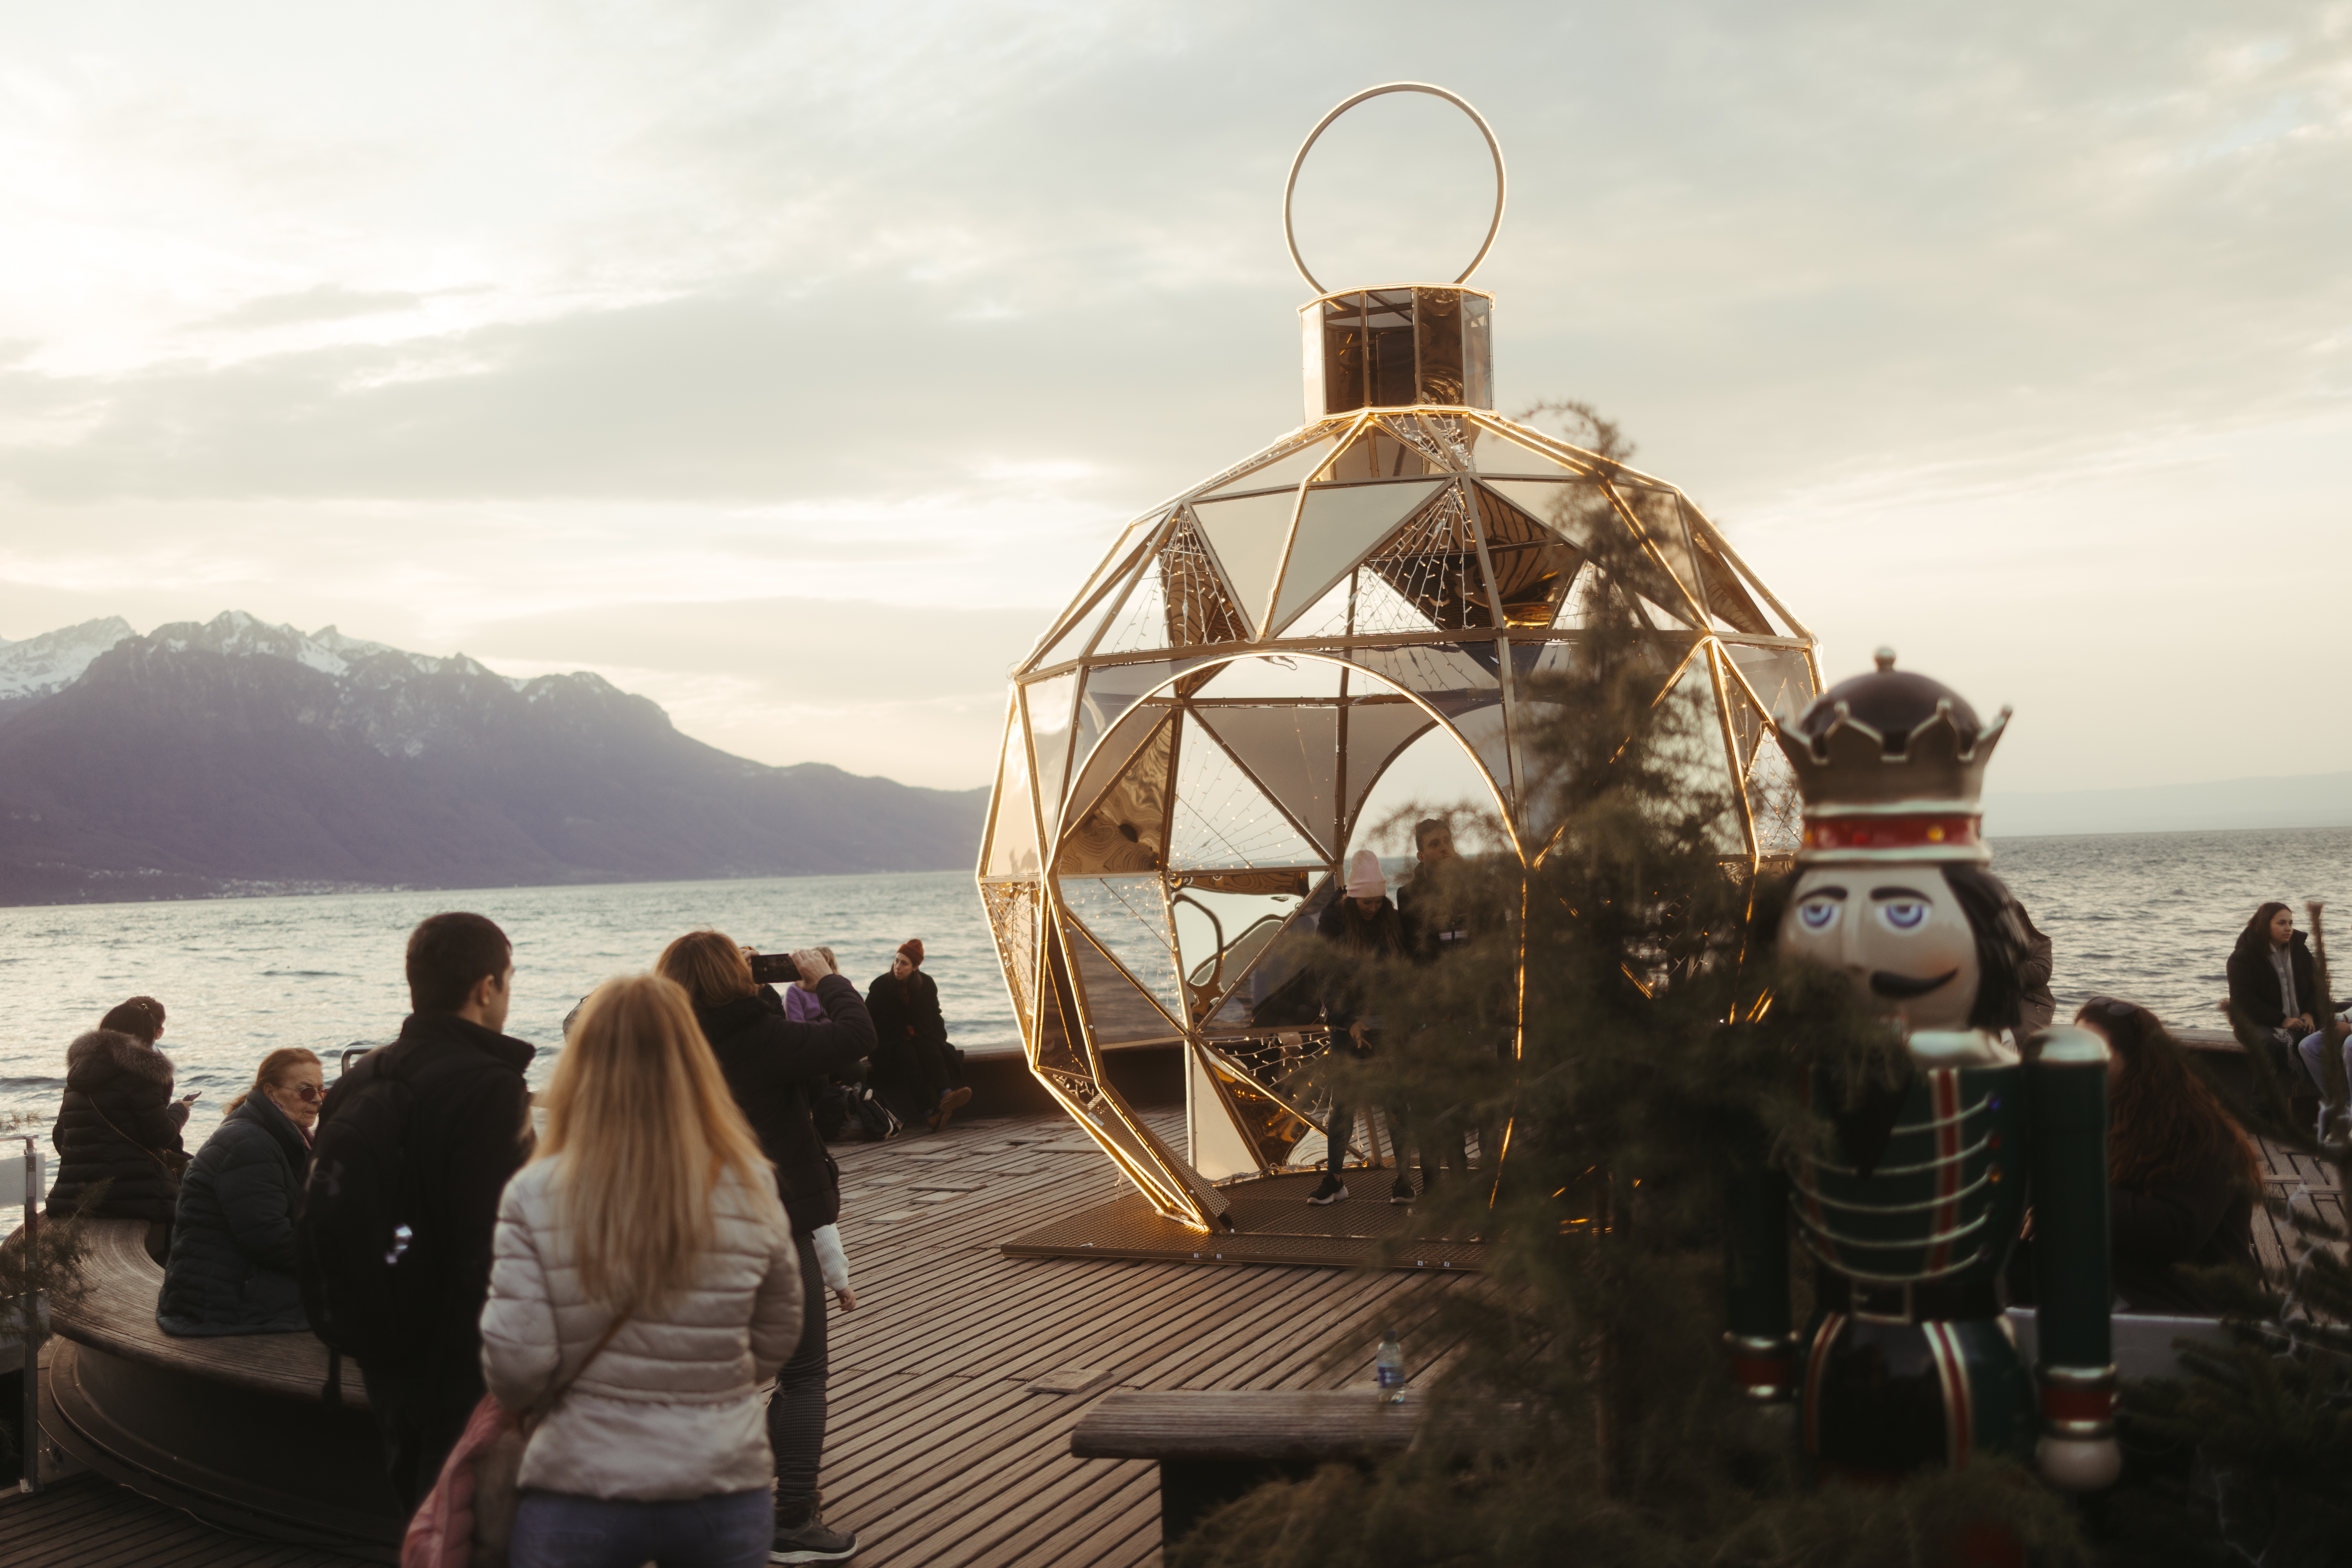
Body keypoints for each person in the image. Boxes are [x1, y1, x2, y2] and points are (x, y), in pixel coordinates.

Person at [480, 974, 802, 1568]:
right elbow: (779, 1329)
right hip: (721, 1477)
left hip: (581, 1480)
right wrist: (709, 1378)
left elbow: (516, 1367)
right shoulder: (750, 1180)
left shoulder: (534, 1192)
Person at [658, 930, 872, 1563]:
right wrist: (824, 979)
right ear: (735, 980)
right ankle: (794, 1519)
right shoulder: (763, 1039)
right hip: (771, 1223)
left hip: (691, 1228)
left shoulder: (665, 1043)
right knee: (802, 1374)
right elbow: (858, 1039)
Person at [312, 912, 535, 1514]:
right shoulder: (489, 1086)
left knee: (423, 1519)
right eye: (508, 981)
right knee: (468, 1530)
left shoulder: (359, 1080)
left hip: (380, 1345)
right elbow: (493, 1240)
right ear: (486, 987)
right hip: (461, 1362)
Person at [2075, 997, 2259, 1314]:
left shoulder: (2198, 1131)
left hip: (2191, 1298)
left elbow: (2177, 1229)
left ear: (2137, 1063)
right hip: (2134, 1277)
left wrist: (2074, 1204)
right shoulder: (2105, 1113)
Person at [156, 1048, 322, 1336]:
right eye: (306, 1092)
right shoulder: (249, 1144)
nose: (318, 1099)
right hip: (220, 1302)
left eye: (322, 1090)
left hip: (230, 1283)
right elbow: (270, 1240)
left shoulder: (283, 1137)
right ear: (271, 1093)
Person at [46, 996, 199, 1260]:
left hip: (72, 1197)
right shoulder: (142, 1074)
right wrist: (178, 1111)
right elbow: (162, 1136)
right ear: (149, 1034)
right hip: (136, 1197)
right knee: (198, 1187)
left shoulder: (78, 1075)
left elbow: (61, 1137)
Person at [1308, 850, 1415, 1207]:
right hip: (1346, 1026)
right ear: (1352, 898)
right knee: (1344, 1106)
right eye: (1366, 902)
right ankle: (1335, 1179)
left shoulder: (1391, 921)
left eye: (1378, 901)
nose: (1373, 908)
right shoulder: (1333, 923)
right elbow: (1326, 975)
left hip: (1387, 1023)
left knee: (1396, 1102)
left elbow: (1402, 972)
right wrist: (1347, 1019)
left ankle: (1403, 1180)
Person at [865, 939, 971, 1133]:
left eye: (904, 963)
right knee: (908, 1057)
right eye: (896, 961)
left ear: (915, 967)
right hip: (889, 1042)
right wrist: (899, 1031)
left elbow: (934, 1015)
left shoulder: (927, 984)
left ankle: (946, 1095)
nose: (898, 967)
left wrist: (937, 1038)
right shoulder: (881, 985)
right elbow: (869, 1020)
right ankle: (930, 1113)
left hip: (919, 1037)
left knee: (931, 1049)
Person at [2225, 902, 2324, 1084]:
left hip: (2300, 1017)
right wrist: (2282, 1020)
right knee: (2270, 1044)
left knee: (2340, 1019)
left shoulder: (2299, 950)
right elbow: (2243, 1003)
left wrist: (2310, 1013)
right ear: (2264, 924)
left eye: (2291, 923)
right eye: (2281, 923)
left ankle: (2328, 1097)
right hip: (2256, 1022)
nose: (2289, 929)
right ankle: (2263, 1106)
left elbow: (2317, 987)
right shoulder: (2243, 957)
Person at [2009, 897, 2055, 1034]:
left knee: (2021, 1035)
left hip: (2030, 1001)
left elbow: (2041, 976)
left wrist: (2012, 956)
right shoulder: (1987, 942)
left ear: (2022, 920)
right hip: (1995, 1002)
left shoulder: (2040, 942)